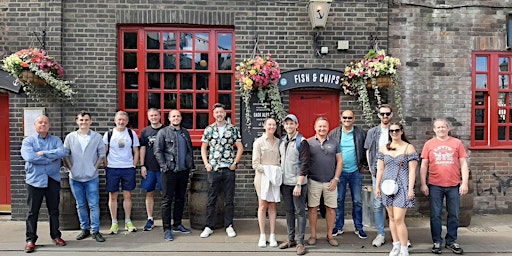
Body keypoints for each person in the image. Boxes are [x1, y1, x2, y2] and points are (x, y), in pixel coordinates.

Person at [420, 118, 469, 255]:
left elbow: (463, 164)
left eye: (443, 127)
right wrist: (423, 183)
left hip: (453, 185)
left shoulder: (457, 143)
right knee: (435, 215)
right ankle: (437, 241)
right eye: (438, 127)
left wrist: (464, 183)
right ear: (434, 129)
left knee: (454, 214)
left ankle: (451, 240)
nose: (441, 129)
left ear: (448, 128)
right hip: (435, 185)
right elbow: (424, 165)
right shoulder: (429, 144)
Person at [21, 115, 68, 253]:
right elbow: (29, 157)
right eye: (40, 122)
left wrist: (43, 153)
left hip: (52, 179)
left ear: (49, 125)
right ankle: (30, 240)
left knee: (54, 210)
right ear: (35, 125)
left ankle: (56, 236)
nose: (43, 125)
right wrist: (50, 159)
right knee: (32, 212)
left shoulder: (56, 140)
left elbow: (62, 152)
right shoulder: (28, 141)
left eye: (45, 122)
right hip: (34, 180)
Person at [200, 103, 244, 238]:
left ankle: (229, 225)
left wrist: (235, 163)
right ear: (213, 115)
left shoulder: (232, 129)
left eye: (221, 112)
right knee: (211, 198)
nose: (219, 114)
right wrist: (207, 163)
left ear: (225, 113)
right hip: (214, 169)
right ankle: (209, 226)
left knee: (229, 199)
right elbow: (203, 148)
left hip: (228, 169)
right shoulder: (209, 129)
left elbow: (240, 147)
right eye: (216, 112)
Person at [375, 122, 419, 256]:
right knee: (392, 218)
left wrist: (410, 188)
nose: (394, 133)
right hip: (387, 186)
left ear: (401, 131)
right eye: (391, 131)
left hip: (402, 185)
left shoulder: (409, 148)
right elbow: (380, 169)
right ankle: (396, 245)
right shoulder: (384, 148)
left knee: (399, 219)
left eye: (396, 130)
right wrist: (377, 186)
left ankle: (404, 248)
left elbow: (412, 171)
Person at [63, 111, 107, 243]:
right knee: (80, 204)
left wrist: (94, 168)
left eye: (86, 120)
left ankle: (95, 230)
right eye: (81, 120)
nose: (84, 122)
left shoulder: (97, 137)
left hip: (91, 177)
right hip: (75, 177)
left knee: (94, 204)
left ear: (91, 121)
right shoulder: (70, 137)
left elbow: (102, 155)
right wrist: (72, 168)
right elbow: (65, 154)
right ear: (77, 121)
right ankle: (85, 229)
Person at [154, 109, 195, 241]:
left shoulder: (185, 132)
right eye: (173, 116)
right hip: (169, 171)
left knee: (180, 199)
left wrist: (190, 165)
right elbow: (158, 151)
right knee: (167, 200)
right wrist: (164, 167)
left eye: (178, 116)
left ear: (181, 118)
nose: (176, 118)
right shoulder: (163, 132)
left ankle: (177, 224)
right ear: (169, 118)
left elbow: (189, 151)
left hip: (183, 171)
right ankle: (167, 229)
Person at [328, 110, 368, 239]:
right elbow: (329, 152)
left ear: (354, 119)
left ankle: (358, 227)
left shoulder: (361, 133)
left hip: (355, 172)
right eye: (344, 117)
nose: (347, 120)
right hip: (340, 173)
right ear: (341, 118)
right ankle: (338, 226)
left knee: (357, 201)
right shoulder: (334, 133)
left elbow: (367, 150)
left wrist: (364, 165)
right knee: (339, 200)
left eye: (349, 117)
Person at [306, 117, 342, 247]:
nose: (322, 129)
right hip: (313, 181)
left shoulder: (334, 142)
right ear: (315, 127)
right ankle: (313, 235)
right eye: (319, 126)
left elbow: (340, 161)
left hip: (330, 182)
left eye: (324, 126)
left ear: (328, 128)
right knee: (312, 209)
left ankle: (330, 235)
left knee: (331, 209)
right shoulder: (308, 143)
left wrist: (336, 179)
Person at [103, 111, 140, 234]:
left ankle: (128, 221)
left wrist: (134, 165)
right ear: (115, 120)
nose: (121, 122)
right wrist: (106, 165)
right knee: (112, 196)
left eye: (123, 120)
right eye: (119, 119)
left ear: (127, 121)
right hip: (113, 168)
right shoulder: (109, 134)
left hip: (128, 168)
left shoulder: (131, 133)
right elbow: (104, 152)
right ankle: (114, 222)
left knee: (127, 195)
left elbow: (136, 151)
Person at [278, 114, 310, 255]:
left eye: (292, 123)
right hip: (285, 183)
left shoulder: (302, 142)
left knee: (300, 212)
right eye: (287, 124)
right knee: (289, 211)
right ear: (284, 126)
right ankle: (290, 239)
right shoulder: (282, 141)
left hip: (298, 184)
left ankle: (301, 242)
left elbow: (305, 164)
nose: (289, 126)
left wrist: (299, 184)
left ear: (297, 125)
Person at [364, 104, 393, 247]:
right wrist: (371, 169)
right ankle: (380, 233)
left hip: (394, 173)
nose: (385, 116)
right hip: (378, 173)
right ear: (378, 115)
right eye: (382, 114)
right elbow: (368, 151)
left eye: (387, 114)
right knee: (378, 203)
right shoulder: (373, 132)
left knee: (395, 203)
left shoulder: (396, 130)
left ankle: (398, 235)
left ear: (392, 115)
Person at [252, 117, 281, 247]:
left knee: (273, 206)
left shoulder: (279, 142)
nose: (271, 127)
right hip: (262, 177)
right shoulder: (258, 142)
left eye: (274, 125)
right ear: (264, 126)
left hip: (275, 179)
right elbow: (255, 164)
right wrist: (268, 170)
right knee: (263, 205)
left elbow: (281, 161)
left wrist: (275, 172)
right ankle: (262, 235)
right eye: (269, 124)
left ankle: (273, 235)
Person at [139, 108, 165, 232]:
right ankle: (150, 219)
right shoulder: (145, 131)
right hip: (149, 168)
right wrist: (142, 165)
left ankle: (166, 219)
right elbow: (142, 149)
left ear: (160, 116)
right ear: (148, 117)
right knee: (149, 193)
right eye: (151, 115)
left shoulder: (166, 130)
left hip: (163, 168)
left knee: (165, 193)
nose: (154, 117)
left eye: (156, 115)